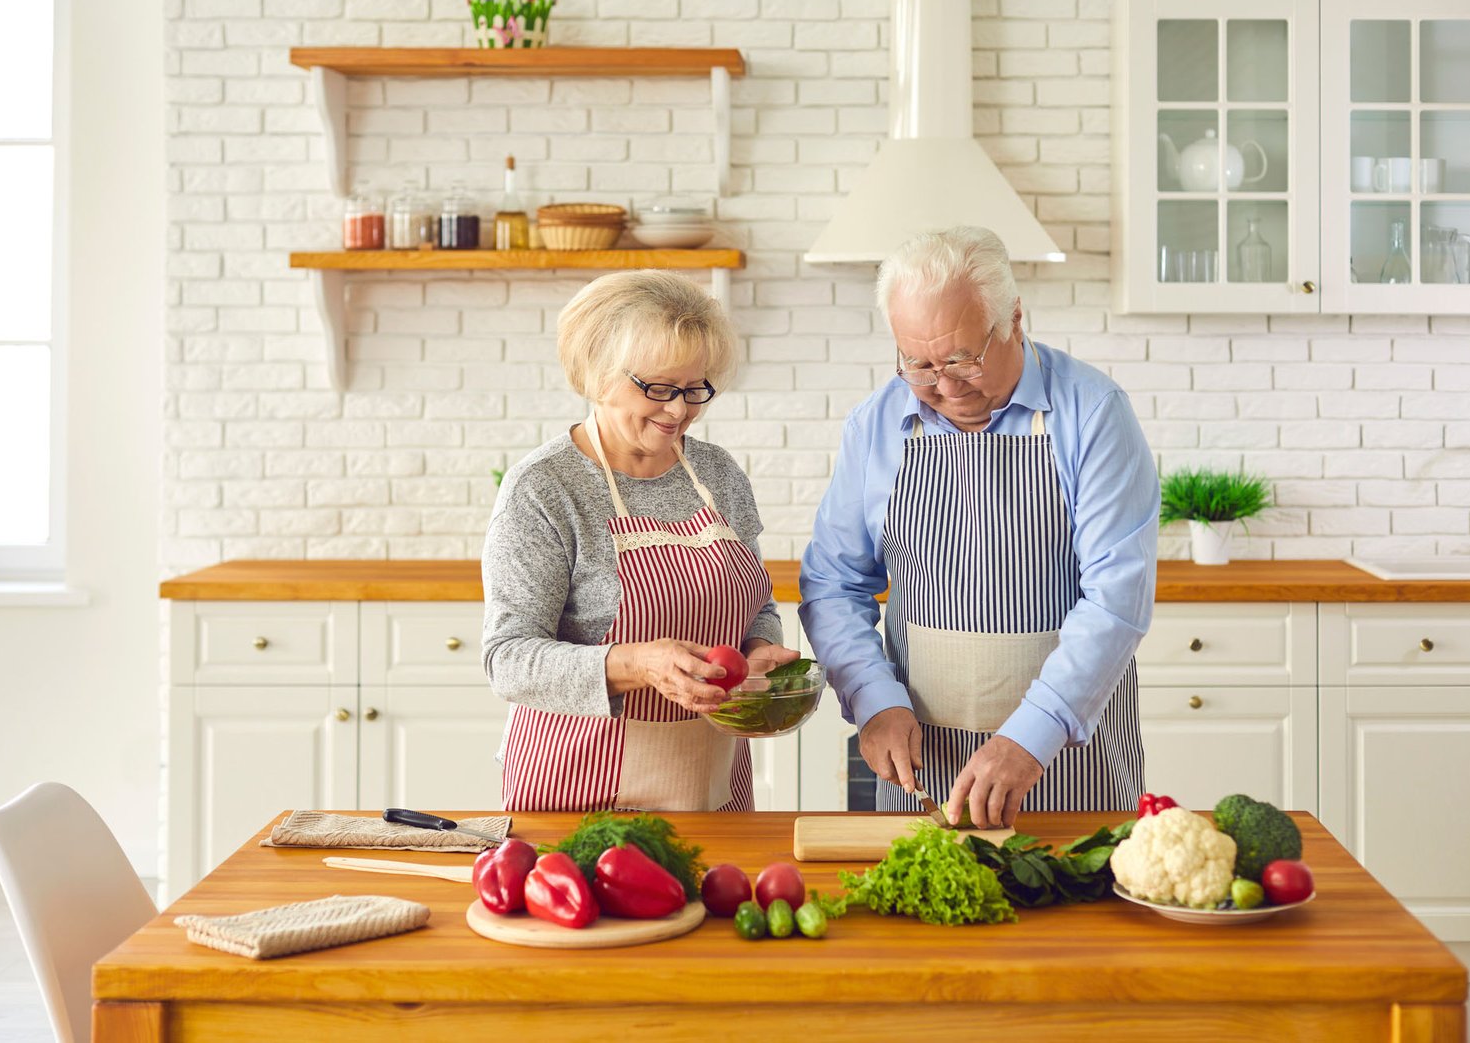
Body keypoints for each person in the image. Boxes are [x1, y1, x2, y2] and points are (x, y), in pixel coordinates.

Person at [799, 226, 1158, 830]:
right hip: (921, 762)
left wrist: (1031, 737)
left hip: (1064, 758)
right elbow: (834, 583)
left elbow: (1116, 600)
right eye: (918, 364)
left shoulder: (1092, 413)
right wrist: (872, 701)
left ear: (1015, 319)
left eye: (963, 359)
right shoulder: (877, 424)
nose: (944, 386)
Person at [482, 270, 798, 812]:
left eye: (695, 388)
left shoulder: (717, 474)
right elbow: (507, 659)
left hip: (711, 785)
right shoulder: (544, 488)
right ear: (597, 374)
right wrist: (637, 664)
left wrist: (758, 649)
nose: (679, 410)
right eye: (657, 389)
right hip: (579, 790)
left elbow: (758, 602)